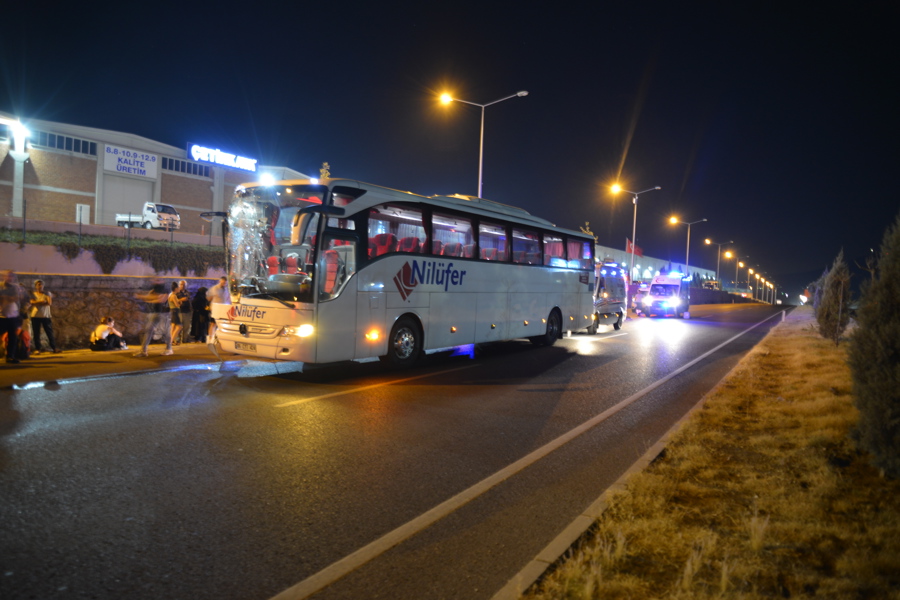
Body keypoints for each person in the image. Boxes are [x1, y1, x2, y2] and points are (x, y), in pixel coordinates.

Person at [134, 280, 173, 357]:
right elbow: (148, 298)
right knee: (148, 330)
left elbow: (160, 299)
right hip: (154, 313)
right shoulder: (154, 290)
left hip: (163, 313)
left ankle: (169, 349)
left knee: (165, 331)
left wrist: (143, 297)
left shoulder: (165, 290)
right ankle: (143, 351)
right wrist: (146, 297)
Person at [29, 279, 61, 354]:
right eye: (38, 284)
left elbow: (49, 303)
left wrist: (37, 303)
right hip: (35, 316)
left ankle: (54, 347)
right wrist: (42, 302)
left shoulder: (47, 293)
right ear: (35, 286)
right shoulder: (33, 294)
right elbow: (32, 303)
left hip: (45, 316)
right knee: (36, 333)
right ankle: (37, 348)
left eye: (41, 284)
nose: (40, 286)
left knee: (49, 332)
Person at [1, 270, 25, 364]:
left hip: (13, 315)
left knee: (13, 337)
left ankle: (10, 356)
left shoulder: (15, 287)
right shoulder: (1, 285)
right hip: (1, 315)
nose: (10, 277)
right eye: (8, 276)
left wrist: (6, 297)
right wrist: (8, 297)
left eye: (11, 276)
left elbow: (17, 298)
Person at [206, 276, 229, 342]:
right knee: (213, 323)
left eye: (225, 283)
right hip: (216, 308)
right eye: (223, 282)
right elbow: (208, 297)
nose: (224, 284)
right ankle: (210, 338)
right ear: (220, 281)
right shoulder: (215, 288)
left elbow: (227, 298)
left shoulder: (226, 289)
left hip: (224, 308)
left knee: (221, 324)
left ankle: (219, 338)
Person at [168, 281, 186, 346]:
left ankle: (171, 341)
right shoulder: (174, 295)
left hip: (172, 311)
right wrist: (180, 302)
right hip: (175, 311)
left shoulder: (170, 294)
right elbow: (177, 305)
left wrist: (179, 301)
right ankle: (171, 341)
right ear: (175, 289)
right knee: (179, 326)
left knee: (173, 326)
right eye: (178, 288)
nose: (179, 289)